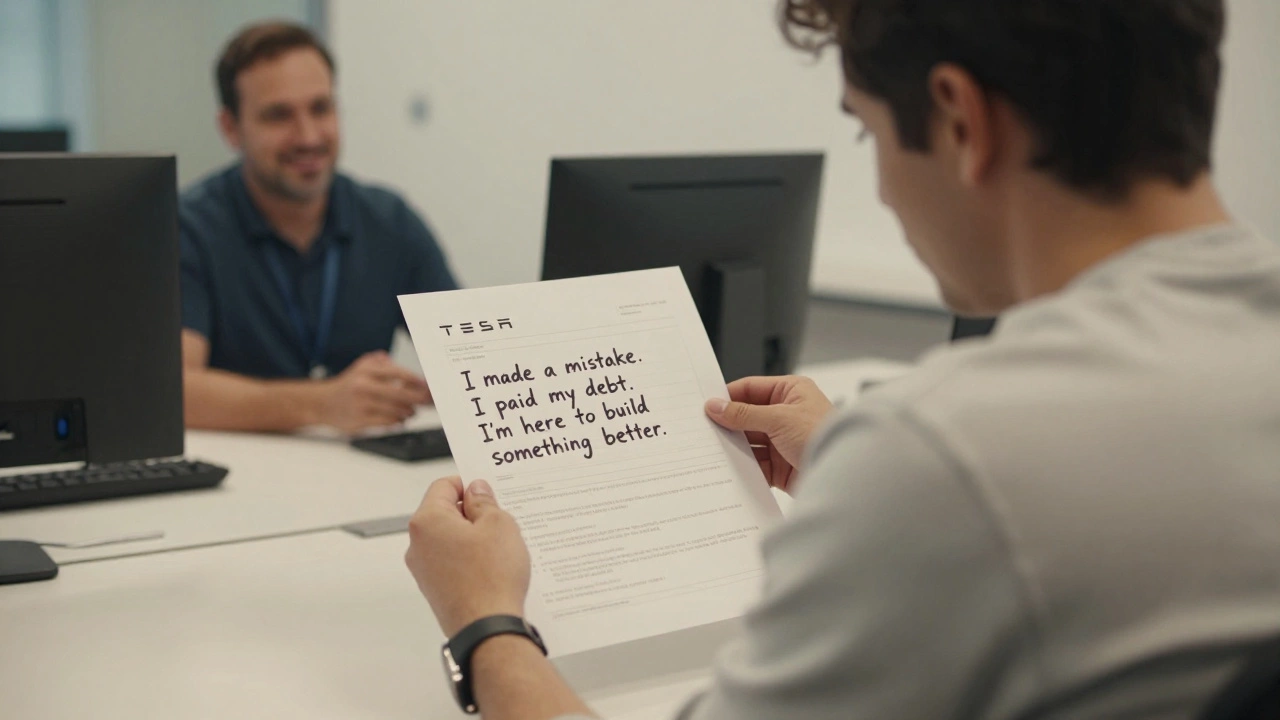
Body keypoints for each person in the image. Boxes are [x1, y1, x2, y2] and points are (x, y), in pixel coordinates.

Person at [404, 1, 1280, 718]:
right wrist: (869, 474)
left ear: (959, 119)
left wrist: (484, 625)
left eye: (866, 134)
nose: (884, 189)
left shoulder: (946, 453)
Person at [180, 22, 458, 434]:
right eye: (279, 116)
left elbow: (469, 357)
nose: (308, 136)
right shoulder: (189, 228)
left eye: (320, 108)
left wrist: (444, 386)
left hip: (359, 469)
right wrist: (322, 403)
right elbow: (178, 391)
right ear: (231, 128)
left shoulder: (390, 221)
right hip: (239, 480)